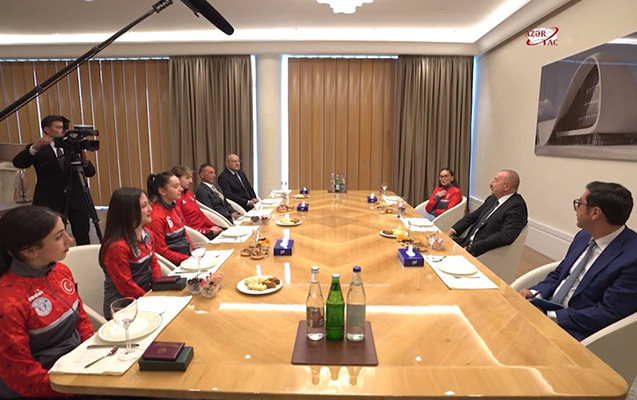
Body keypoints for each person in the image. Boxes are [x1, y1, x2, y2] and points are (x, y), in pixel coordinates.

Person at [519, 182, 637, 341]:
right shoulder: (584, 236)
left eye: (579, 203)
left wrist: (550, 316)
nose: (576, 209)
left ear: (595, 213)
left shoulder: (632, 257)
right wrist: (535, 292)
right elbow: (561, 273)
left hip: (578, 332)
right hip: (546, 309)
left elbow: (608, 313)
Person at [0, 206, 94, 398]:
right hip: (46, 388)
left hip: (78, 369)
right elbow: (22, 375)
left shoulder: (61, 271)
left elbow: (81, 318)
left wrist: (93, 355)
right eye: (59, 237)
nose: (70, 239)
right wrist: (77, 387)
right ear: (30, 251)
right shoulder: (8, 302)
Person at [12, 115, 96, 245]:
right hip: (50, 199)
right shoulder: (38, 148)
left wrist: (85, 162)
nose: (63, 130)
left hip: (76, 199)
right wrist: (34, 148)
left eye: (64, 127)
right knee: (51, 236)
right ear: (47, 129)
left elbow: (90, 173)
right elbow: (19, 163)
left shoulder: (72, 147)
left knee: (83, 236)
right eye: (59, 127)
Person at [99, 187, 163, 319]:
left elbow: (154, 263)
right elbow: (126, 286)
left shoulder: (147, 234)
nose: (151, 209)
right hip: (124, 308)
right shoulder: (117, 247)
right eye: (144, 206)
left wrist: (159, 287)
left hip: (146, 296)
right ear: (129, 212)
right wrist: (150, 300)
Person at [446, 169, 527, 257]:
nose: (491, 184)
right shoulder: (492, 199)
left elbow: (504, 236)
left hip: (481, 253)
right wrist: (450, 232)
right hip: (465, 243)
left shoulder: (517, 207)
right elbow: (472, 217)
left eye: (496, 180)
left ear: (506, 186)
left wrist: (469, 249)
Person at [146, 171, 192, 266]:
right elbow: (162, 252)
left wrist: (194, 248)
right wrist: (189, 259)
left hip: (188, 255)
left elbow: (184, 233)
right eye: (176, 186)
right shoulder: (156, 217)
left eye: (180, 185)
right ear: (163, 191)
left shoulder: (175, 207)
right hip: (176, 264)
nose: (181, 189)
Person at [172, 165, 223, 240]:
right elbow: (184, 226)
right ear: (177, 179)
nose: (191, 181)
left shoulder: (189, 194)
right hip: (198, 236)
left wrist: (215, 226)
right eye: (187, 178)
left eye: (191, 178)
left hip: (205, 230)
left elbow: (200, 214)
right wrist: (208, 231)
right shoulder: (176, 198)